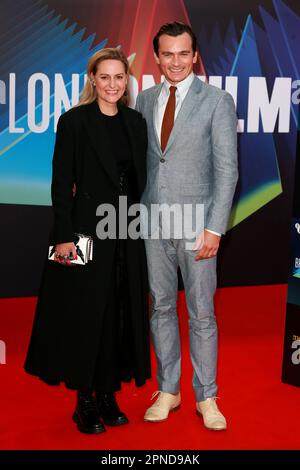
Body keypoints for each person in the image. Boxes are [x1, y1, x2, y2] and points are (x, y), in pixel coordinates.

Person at [24, 48, 150, 434]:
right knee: (85, 314)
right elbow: (61, 182)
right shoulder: (74, 121)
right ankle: (84, 403)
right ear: (92, 80)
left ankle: (108, 395)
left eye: (119, 77)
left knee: (120, 313)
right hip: (83, 231)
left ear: (127, 81)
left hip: (125, 231)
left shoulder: (135, 121)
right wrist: (63, 236)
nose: (113, 84)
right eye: (105, 77)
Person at [136, 22, 238, 430]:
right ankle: (169, 389)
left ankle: (207, 396)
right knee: (160, 306)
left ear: (195, 55)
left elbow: (227, 170)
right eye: (167, 54)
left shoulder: (217, 101)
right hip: (152, 223)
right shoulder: (143, 100)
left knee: (201, 314)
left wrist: (215, 228)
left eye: (183, 53)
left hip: (198, 227)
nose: (175, 62)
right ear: (156, 57)